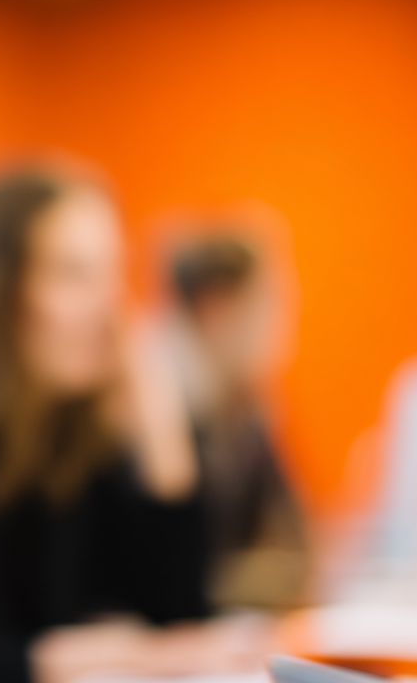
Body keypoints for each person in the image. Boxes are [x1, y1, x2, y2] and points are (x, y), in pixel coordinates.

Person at [0, 169, 272, 683]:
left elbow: (177, 621)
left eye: (113, 275)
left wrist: (161, 431)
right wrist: (47, 660)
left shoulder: (69, 441)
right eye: (74, 274)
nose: (111, 307)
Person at [165, 231, 309, 611]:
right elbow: (190, 582)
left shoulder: (244, 408)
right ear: (216, 308)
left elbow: (297, 543)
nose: (285, 326)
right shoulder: (165, 415)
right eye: (271, 306)